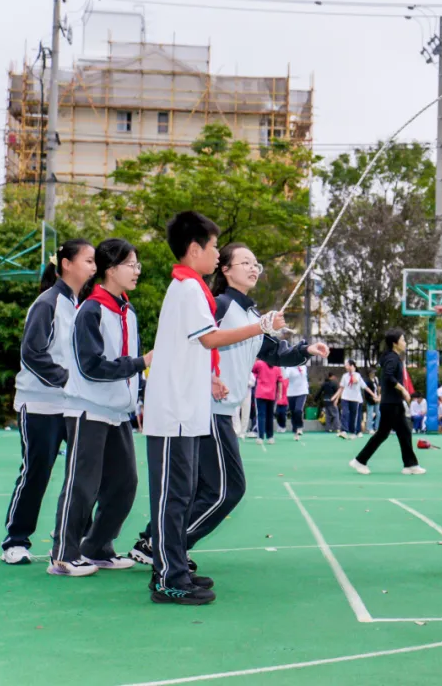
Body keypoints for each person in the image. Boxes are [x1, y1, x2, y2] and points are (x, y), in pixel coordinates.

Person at [130, 244, 324, 572]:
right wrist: (209, 376)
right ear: (226, 270)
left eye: (256, 262)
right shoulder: (218, 305)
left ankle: (156, 542)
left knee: (203, 487)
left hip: (221, 411)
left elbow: (276, 353)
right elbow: (196, 343)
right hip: (206, 408)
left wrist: (307, 349)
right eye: (244, 262)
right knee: (227, 489)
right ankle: (165, 546)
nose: (253, 268)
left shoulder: (251, 316)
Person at [140, 211, 285, 605]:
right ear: (194, 249)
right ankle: (168, 579)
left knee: (181, 495)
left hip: (188, 409)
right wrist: (262, 326)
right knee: (172, 498)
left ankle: (173, 568)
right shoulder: (187, 289)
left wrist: (210, 378)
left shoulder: (193, 289)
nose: (217, 252)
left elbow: (191, 348)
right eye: (214, 246)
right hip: (172, 411)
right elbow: (211, 339)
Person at [48, 239, 148, 577]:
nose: (136, 271)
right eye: (131, 264)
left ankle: (97, 546)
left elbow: (129, 361)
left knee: (125, 483)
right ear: (110, 269)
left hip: (118, 412)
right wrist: (138, 364)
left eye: (137, 265)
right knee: (82, 484)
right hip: (88, 410)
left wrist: (139, 384)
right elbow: (91, 365)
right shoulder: (90, 309)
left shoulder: (127, 310)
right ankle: (63, 554)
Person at [1, 239, 96, 566]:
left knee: (84, 473)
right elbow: (32, 353)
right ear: (66, 264)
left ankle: (79, 540)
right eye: (87, 260)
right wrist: (68, 379)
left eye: (95, 261)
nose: (93, 267)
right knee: (37, 471)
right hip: (40, 405)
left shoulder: (79, 305)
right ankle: (15, 540)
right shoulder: (48, 303)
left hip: (72, 406)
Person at [348, 328, 423, 475]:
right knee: (391, 433)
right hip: (391, 404)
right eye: (402, 339)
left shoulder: (392, 357)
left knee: (400, 433)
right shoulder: (392, 359)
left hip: (393, 403)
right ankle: (360, 461)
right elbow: (389, 377)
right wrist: (403, 390)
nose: (405, 342)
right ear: (395, 343)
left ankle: (410, 465)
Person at [334, 361, 373, 440]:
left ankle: (353, 432)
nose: (345, 367)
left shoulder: (357, 375)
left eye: (347, 365)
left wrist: (373, 395)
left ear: (352, 366)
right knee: (344, 413)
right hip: (345, 397)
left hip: (355, 399)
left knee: (353, 416)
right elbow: (341, 387)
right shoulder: (344, 376)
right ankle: (344, 431)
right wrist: (336, 398)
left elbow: (356, 381)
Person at [251, 359, 283, 445]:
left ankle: (260, 437)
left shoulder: (259, 363)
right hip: (271, 394)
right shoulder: (277, 366)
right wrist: (279, 393)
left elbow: (251, 369)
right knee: (270, 416)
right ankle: (270, 437)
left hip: (260, 394)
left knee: (261, 415)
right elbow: (280, 381)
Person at [283, 364, 311, 441]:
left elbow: (304, 376)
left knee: (298, 410)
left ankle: (299, 427)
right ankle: (295, 431)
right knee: (293, 412)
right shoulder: (289, 367)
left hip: (302, 392)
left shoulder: (303, 367)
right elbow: (285, 376)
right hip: (291, 393)